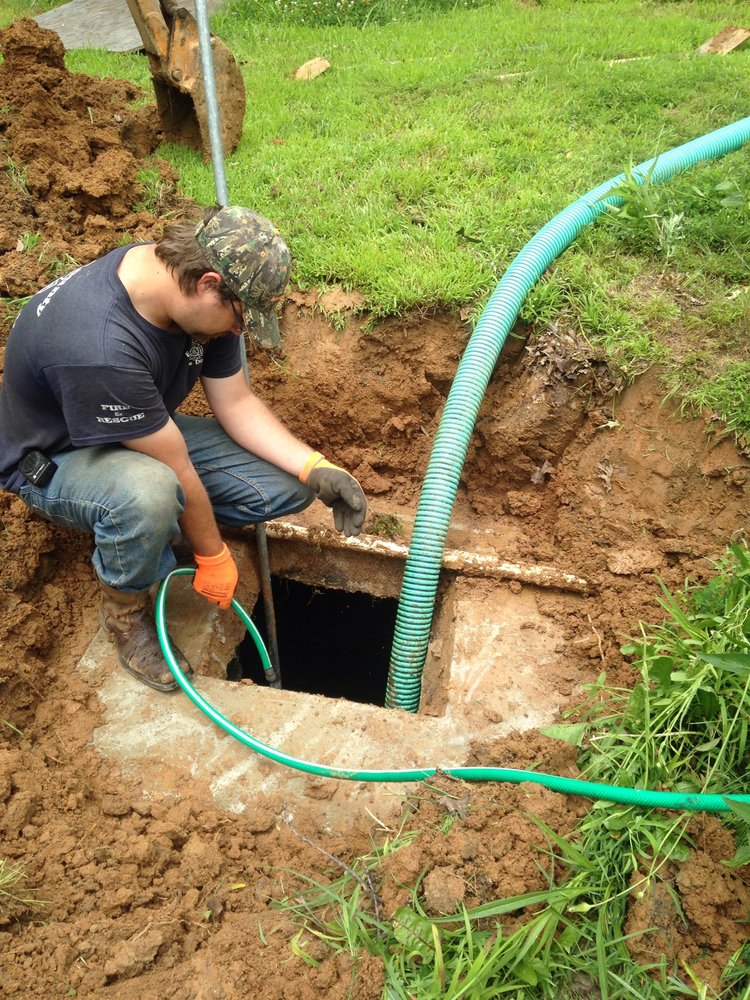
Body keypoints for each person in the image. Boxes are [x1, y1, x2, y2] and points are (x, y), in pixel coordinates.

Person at [0, 205, 367, 692]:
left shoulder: (190, 299)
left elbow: (235, 402)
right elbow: (171, 465)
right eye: (240, 319)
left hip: (138, 428)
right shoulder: (100, 344)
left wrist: (315, 467)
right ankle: (126, 609)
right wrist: (212, 553)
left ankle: (160, 531)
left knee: (282, 484)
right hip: (56, 459)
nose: (239, 331)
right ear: (208, 283)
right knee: (150, 493)